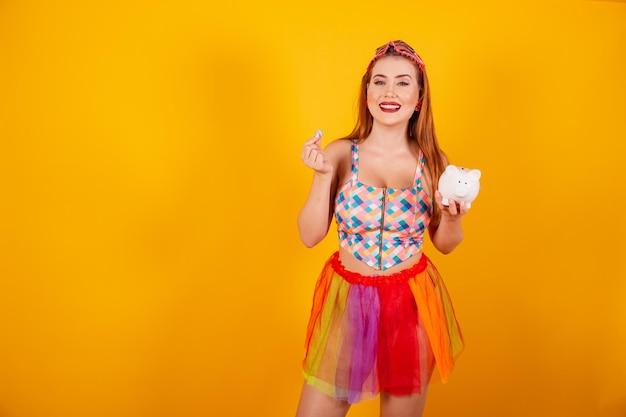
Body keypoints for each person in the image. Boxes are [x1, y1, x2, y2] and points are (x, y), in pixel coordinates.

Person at [295, 40, 468, 417]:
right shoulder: (340, 154)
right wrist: (322, 177)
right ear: (367, 91)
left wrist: (453, 218)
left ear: (419, 97)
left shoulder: (434, 162)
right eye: (380, 82)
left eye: (403, 83)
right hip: (349, 305)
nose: (390, 92)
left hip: (411, 307)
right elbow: (309, 236)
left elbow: (446, 244)